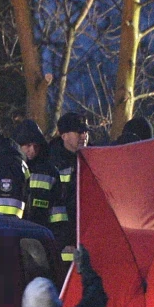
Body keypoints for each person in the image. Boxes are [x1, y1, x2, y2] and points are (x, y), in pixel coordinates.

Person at [11, 119, 67, 231]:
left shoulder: (50, 172)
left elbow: (58, 211)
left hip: (39, 233)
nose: (32, 150)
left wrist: (59, 237)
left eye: (36, 146)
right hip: (12, 232)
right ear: (18, 145)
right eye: (28, 145)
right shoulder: (8, 167)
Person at [48, 112, 89, 261]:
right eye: (78, 132)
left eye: (85, 132)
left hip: (89, 237)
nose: (83, 136)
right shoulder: (51, 163)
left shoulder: (93, 158)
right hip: (63, 243)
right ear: (64, 136)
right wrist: (65, 240)